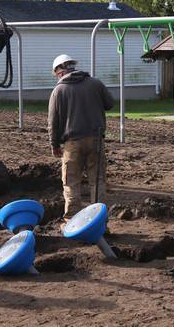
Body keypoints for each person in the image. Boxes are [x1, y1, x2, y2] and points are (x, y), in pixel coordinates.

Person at [48, 54, 114, 223]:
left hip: (72, 143)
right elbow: (109, 104)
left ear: (60, 71)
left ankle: (71, 221)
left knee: (71, 183)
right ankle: (99, 222)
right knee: (97, 182)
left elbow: (53, 123)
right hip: (96, 140)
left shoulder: (59, 90)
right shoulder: (95, 83)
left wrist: (54, 145)